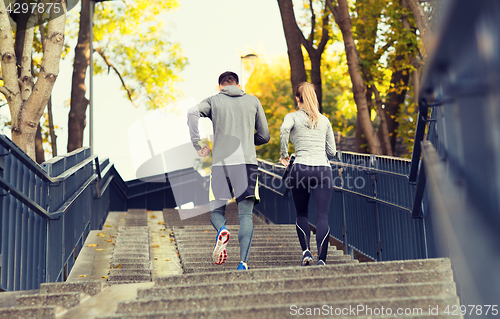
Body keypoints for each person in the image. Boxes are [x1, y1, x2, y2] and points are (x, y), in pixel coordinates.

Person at [187, 71, 270, 270]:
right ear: (238, 84)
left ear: (220, 86)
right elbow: (265, 136)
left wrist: (198, 145)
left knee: (216, 211)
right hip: (247, 165)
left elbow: (191, 112)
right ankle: (243, 263)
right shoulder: (253, 101)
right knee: (245, 216)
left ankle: (222, 230)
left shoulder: (214, 100)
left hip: (221, 165)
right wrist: (250, 141)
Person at [279, 82, 336, 266]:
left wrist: (284, 154)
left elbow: (283, 129)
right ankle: (322, 260)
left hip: (300, 169)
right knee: (322, 217)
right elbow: (332, 152)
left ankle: (306, 253)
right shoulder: (324, 120)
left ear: (298, 98)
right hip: (322, 170)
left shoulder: (292, 117)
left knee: (302, 214)